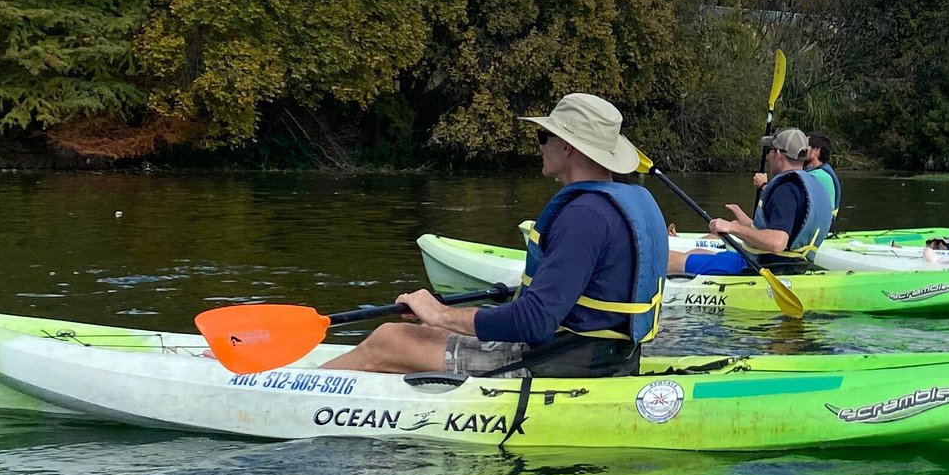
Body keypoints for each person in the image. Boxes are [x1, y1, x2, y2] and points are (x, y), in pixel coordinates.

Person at [328, 92, 666, 377]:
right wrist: (440, 320)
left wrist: (439, 312)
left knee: (390, 339)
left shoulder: (585, 215)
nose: (539, 147)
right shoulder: (633, 202)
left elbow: (535, 321)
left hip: (558, 363)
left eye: (543, 137)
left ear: (567, 148)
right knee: (431, 332)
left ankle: (285, 393)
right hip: (607, 355)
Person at [675, 127, 832, 275]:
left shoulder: (786, 189)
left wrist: (731, 227)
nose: (768, 157)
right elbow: (789, 230)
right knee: (696, 253)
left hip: (760, 267)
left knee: (673, 259)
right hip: (792, 265)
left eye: (769, 151)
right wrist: (748, 223)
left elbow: (777, 242)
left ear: (778, 153)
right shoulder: (812, 183)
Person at [804, 131, 842, 232]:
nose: (801, 149)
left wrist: (764, 186)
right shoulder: (815, 173)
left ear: (816, 150)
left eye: (805, 145)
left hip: (817, 232)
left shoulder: (818, 176)